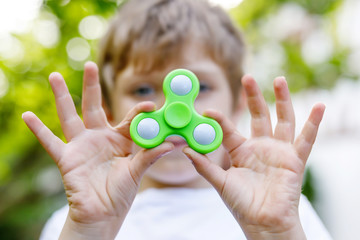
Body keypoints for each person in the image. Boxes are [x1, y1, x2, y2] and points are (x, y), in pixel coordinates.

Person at [22, 0, 332, 239]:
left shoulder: (282, 212)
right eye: (142, 88)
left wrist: (276, 233)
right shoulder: (77, 219)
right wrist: (88, 231)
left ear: (237, 103)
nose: (172, 111)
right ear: (111, 111)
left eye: (201, 86)